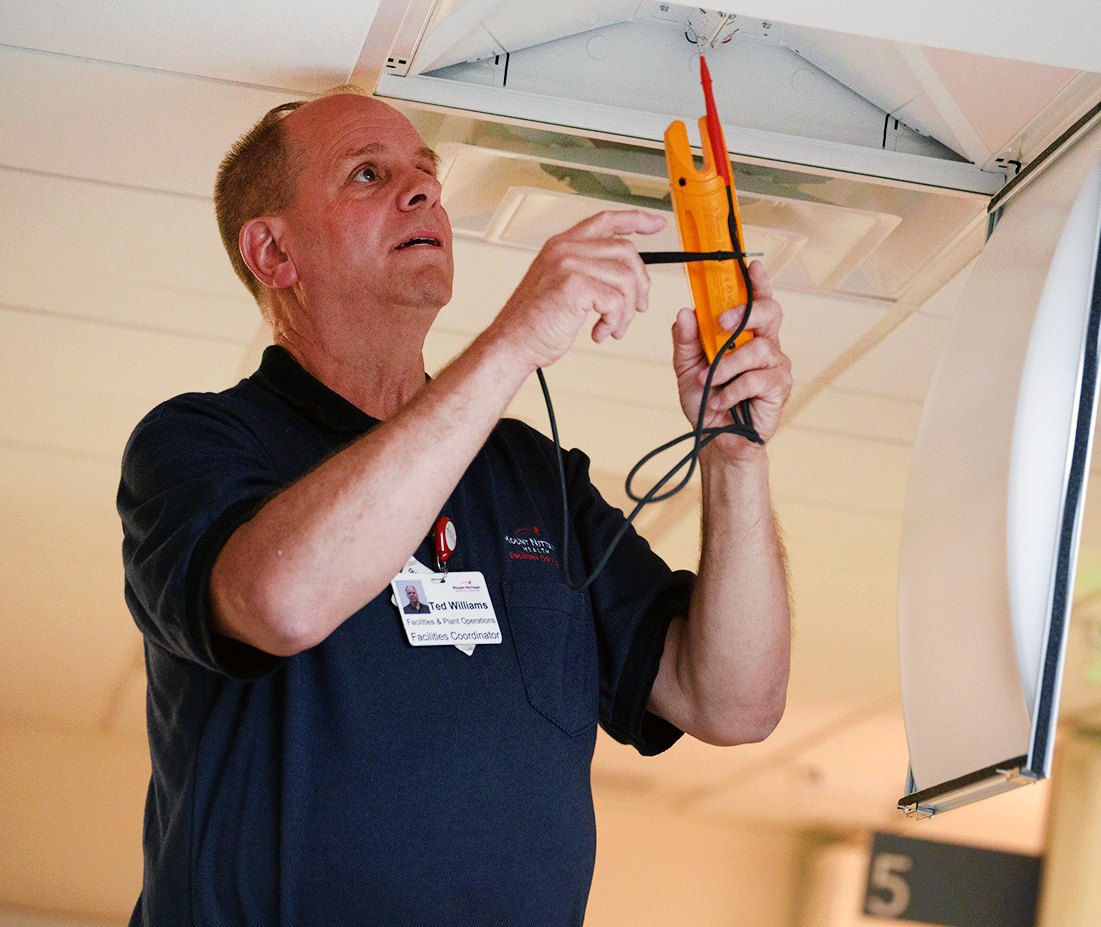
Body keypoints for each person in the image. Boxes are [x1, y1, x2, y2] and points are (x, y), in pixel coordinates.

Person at [118, 88, 792, 925]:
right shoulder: (199, 442)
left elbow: (732, 702)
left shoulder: (530, 474)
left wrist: (734, 455)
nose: (424, 190)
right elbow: (282, 602)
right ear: (273, 251)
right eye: (368, 174)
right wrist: (514, 340)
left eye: (426, 172)